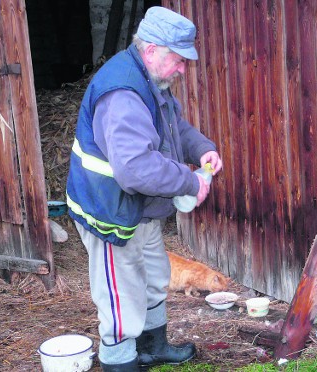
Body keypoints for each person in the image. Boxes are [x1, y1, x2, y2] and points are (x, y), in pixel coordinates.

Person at [65, 6, 222, 371]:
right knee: (121, 295)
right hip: (109, 209)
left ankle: (153, 347)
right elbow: (135, 168)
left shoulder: (152, 79)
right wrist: (190, 181)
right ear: (151, 49)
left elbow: (174, 127)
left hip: (141, 208)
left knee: (153, 278)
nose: (183, 69)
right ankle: (120, 362)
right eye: (179, 60)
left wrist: (202, 148)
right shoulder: (122, 93)